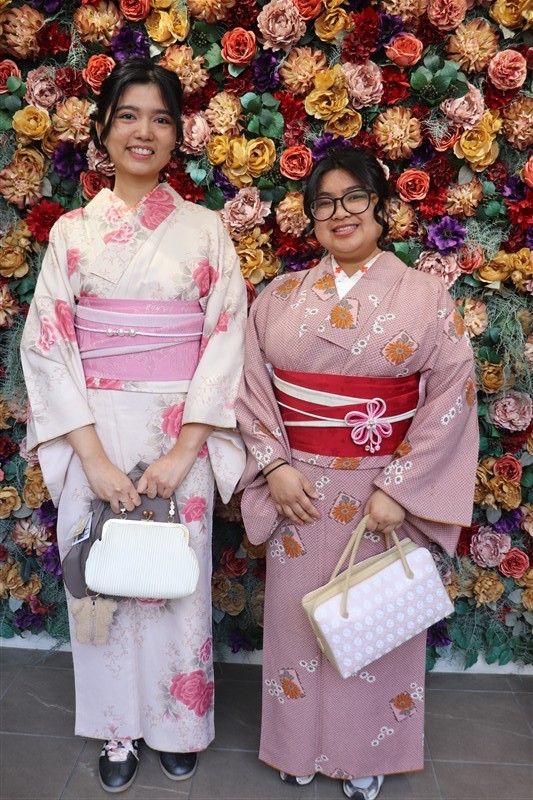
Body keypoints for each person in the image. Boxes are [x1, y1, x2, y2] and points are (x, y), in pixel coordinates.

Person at [20, 57, 247, 794]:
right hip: (97, 428)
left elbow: (226, 338)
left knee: (174, 582)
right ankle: (116, 727)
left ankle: (178, 725)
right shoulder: (72, 234)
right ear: (102, 130)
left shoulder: (206, 230)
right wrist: (91, 459)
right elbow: (48, 345)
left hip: (182, 430)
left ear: (177, 135)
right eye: (127, 115)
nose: (142, 131)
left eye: (159, 118)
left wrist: (186, 451)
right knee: (103, 578)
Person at [235, 147, 478, 800]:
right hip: (297, 486)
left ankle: (363, 752)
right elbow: (249, 385)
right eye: (324, 203)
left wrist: (401, 489)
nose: (339, 213)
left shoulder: (425, 296)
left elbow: (452, 394)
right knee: (296, 619)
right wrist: (272, 465)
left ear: (381, 207)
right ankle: (294, 746)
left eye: (354, 198)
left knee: (373, 622)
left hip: (381, 486)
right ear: (310, 218)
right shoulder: (280, 296)